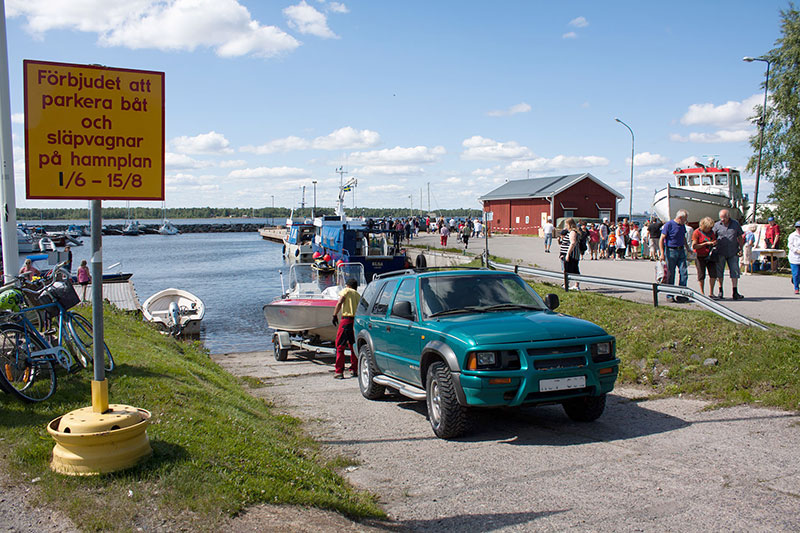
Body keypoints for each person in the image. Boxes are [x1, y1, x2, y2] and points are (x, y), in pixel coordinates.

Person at [712, 208, 745, 300]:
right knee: (719, 272)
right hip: (720, 252)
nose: (722, 220)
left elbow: (740, 237)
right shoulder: (717, 225)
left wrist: (741, 248)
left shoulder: (735, 224)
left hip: (733, 251)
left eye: (724, 218)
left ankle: (735, 291)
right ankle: (720, 291)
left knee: (734, 271)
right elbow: (712, 236)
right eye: (721, 218)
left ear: (728, 216)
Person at [659, 209, 691, 302]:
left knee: (684, 272)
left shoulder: (682, 226)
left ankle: (681, 294)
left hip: (681, 250)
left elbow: (683, 237)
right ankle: (670, 294)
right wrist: (662, 253)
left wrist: (687, 248)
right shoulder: (669, 225)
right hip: (671, 250)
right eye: (685, 219)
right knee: (671, 273)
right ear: (680, 218)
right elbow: (662, 239)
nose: (686, 221)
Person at [332, 278, 361, 379]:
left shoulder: (346, 291)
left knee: (340, 346)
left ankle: (339, 371)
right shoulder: (358, 295)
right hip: (355, 322)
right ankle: (354, 369)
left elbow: (340, 302)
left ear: (348, 285)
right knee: (353, 346)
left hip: (346, 320)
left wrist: (334, 315)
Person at [691, 216, 718, 296]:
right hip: (700, 255)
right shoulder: (697, 232)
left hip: (710, 255)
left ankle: (711, 292)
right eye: (708, 227)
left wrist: (713, 243)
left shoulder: (711, 232)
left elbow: (713, 239)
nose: (709, 229)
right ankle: (702, 292)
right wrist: (705, 244)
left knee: (713, 274)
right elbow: (694, 246)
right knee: (701, 274)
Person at [559, 218, 581, 290]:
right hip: (570, 254)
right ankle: (569, 284)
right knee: (571, 269)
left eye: (566, 224)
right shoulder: (571, 232)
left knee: (570, 270)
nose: (565, 226)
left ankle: (570, 285)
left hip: (572, 255)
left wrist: (568, 254)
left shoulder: (572, 232)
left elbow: (573, 243)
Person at [788, 221, 800, 295]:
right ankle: (796, 288)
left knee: (799, 274)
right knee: (796, 274)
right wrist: (797, 250)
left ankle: (795, 280)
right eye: (798, 228)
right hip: (794, 257)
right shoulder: (792, 235)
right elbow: (790, 246)